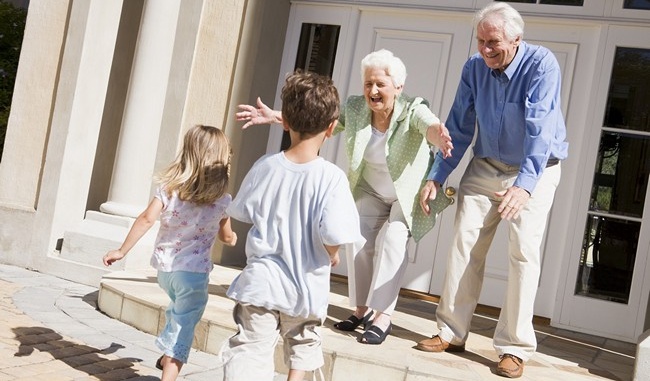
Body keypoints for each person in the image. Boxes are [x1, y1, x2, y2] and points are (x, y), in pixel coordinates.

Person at [235, 49, 453, 345]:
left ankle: (383, 315)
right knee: (359, 240)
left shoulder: (413, 109)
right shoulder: (355, 108)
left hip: (405, 193)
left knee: (393, 241)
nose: (372, 91)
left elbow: (427, 125)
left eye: (380, 85)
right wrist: (277, 116)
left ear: (398, 88)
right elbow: (320, 120)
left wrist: (437, 135)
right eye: (368, 84)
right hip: (371, 188)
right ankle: (361, 309)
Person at [415, 3, 568, 379]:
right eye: (481, 40)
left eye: (493, 42)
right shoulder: (473, 68)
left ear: (516, 39)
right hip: (486, 165)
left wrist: (525, 186)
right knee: (464, 244)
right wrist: (438, 174)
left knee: (523, 253)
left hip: (537, 167)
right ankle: (451, 331)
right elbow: (459, 125)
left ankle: (514, 347)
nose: (485, 49)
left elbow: (539, 129)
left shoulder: (541, 65)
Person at [219, 71, 365, 381]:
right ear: (331, 127)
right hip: (305, 288)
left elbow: (243, 210)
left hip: (261, 283)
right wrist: (332, 253)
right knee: (303, 348)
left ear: (285, 121)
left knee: (249, 349)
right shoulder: (332, 178)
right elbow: (334, 234)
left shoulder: (265, 167)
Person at [102, 125, 237, 381]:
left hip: (165, 271)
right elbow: (227, 236)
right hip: (194, 276)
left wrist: (122, 250)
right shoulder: (222, 199)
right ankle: (169, 372)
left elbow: (145, 219)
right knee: (185, 326)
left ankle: (165, 357)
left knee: (177, 311)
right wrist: (233, 239)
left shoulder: (169, 189)